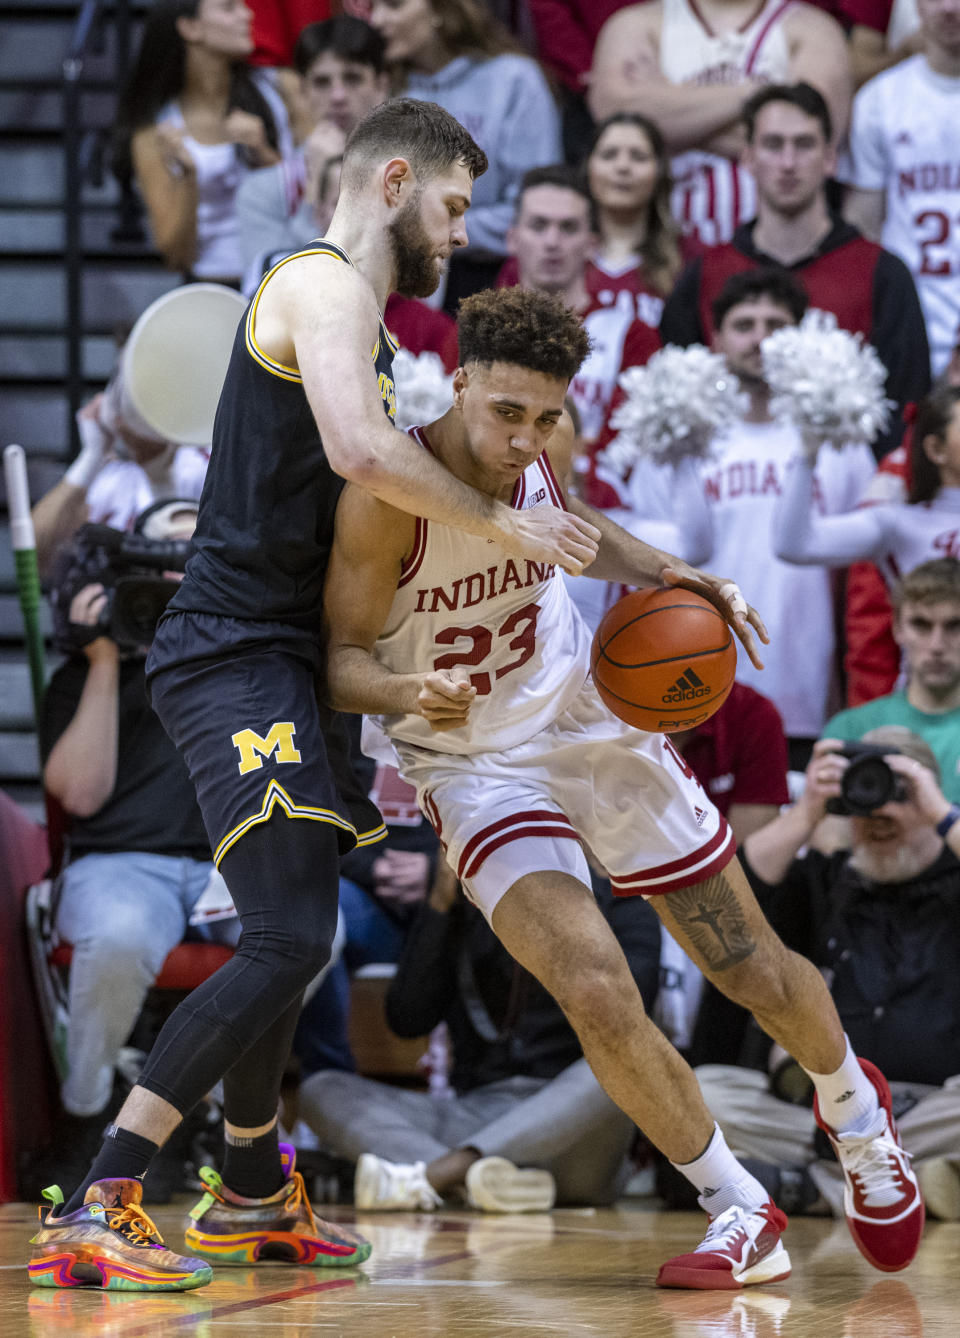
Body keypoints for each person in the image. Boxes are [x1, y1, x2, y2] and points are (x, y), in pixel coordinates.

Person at [28, 98, 600, 1293]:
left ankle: (247, 1191)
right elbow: (356, 450)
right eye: (452, 206)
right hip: (236, 648)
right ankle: (103, 1196)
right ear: (395, 180)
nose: (458, 232)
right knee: (288, 933)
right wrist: (511, 527)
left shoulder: (366, 320)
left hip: (293, 658)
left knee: (295, 931)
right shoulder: (324, 283)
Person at [323, 283, 924, 1288]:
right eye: (505, 413)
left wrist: (675, 576)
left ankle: (858, 1118)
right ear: (459, 383)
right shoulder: (388, 499)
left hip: (585, 721)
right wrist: (402, 688)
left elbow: (577, 525)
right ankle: (739, 1206)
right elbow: (339, 659)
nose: (524, 439)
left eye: (545, 418)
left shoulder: (539, 454)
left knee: (750, 965)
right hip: (472, 763)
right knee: (597, 988)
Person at [26, 501, 238, 1204]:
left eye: (190, 559)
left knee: (307, 935)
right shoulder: (87, 673)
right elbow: (79, 797)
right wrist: (105, 660)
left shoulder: (246, 665)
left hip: (227, 865)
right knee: (118, 936)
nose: (173, 577)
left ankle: (225, 1120)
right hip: (119, 863)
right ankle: (86, 1117)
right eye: (156, 564)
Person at [696, 726, 960, 1222]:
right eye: (863, 792)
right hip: (829, 1115)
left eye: (897, 792)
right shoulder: (827, 880)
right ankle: (896, 1182)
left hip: (935, 1108)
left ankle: (819, 1187)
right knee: (705, 1093)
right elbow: (723, 902)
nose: (880, 812)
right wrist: (807, 811)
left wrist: (942, 812)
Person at [300, 861, 661, 1213]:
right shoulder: (469, 896)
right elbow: (407, 1019)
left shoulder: (616, 894)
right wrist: (442, 904)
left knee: (627, 1062)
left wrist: (562, 911)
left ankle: (444, 1173)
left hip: (571, 1128)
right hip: (475, 1112)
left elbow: (626, 1014)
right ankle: (482, 1180)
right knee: (322, 1089)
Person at [624, 267, 876, 759]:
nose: (760, 339)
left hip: (807, 684)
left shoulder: (840, 443)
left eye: (776, 326)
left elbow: (862, 580)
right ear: (715, 338)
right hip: (693, 682)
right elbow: (643, 568)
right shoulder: (674, 439)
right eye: (744, 325)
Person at [660, 82, 931, 456]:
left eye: (804, 145)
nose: (788, 163)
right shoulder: (705, 273)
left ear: (831, 158)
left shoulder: (882, 272)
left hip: (849, 495)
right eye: (773, 145)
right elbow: (672, 401)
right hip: (723, 490)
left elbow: (907, 404)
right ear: (748, 158)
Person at [587, 0, 851, 248]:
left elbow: (814, 137)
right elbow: (621, 124)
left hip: (779, 247)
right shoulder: (634, 25)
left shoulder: (813, 28)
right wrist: (760, 92)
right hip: (660, 249)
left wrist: (668, 108)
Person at [368, 0, 563, 310]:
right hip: (399, 283)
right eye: (372, 6)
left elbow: (537, 207)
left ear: (440, 11)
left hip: (495, 278)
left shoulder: (514, 81)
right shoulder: (380, 87)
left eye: (394, 5)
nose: (376, 20)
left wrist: (433, 228)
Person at [113, 0, 294, 285]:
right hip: (210, 287)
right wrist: (188, 176)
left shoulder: (280, 89)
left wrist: (264, 155)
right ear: (190, 27)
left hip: (283, 281)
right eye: (229, 7)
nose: (247, 14)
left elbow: (313, 206)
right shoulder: (155, 133)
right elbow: (176, 256)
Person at [843, 0, 960, 377]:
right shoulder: (879, 100)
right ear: (916, 6)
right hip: (910, 316)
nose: (950, 8)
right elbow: (863, 225)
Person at [236, 15, 390, 284]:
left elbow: (422, 292)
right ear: (303, 91)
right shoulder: (261, 191)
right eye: (322, 82)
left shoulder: (411, 179)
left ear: (381, 86)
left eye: (353, 78)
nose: (338, 96)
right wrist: (317, 190)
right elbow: (269, 291)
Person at [821, 558, 960, 802]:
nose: (937, 645)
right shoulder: (849, 730)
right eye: (921, 624)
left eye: (955, 626)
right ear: (897, 627)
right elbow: (827, 836)